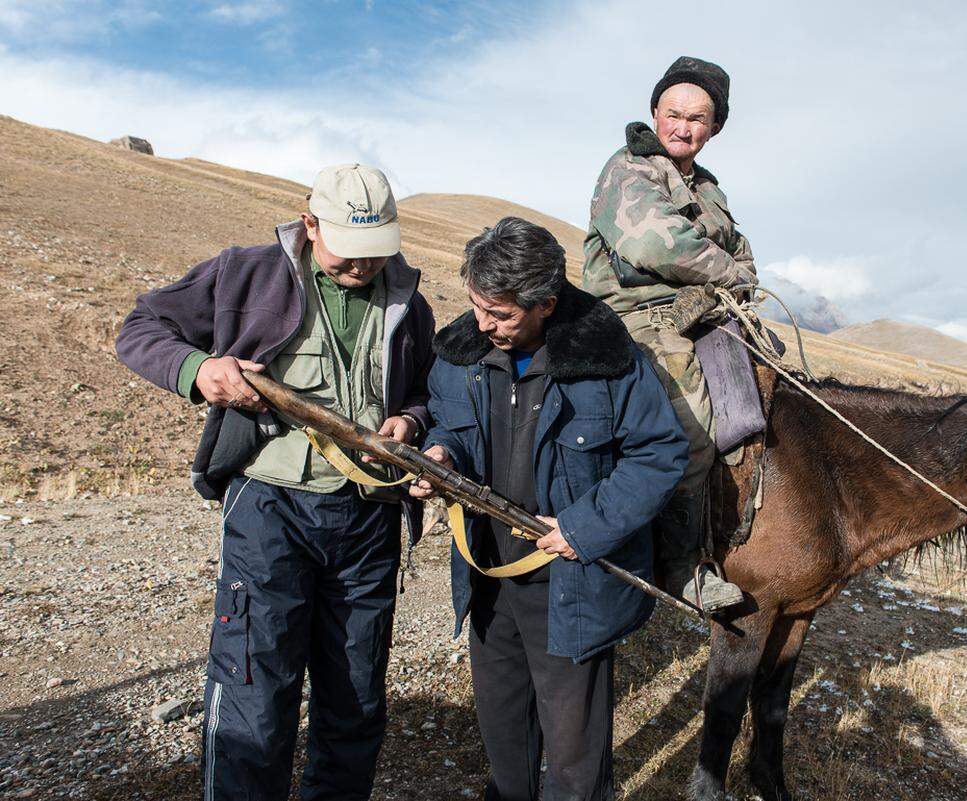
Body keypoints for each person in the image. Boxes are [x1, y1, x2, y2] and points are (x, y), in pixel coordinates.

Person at [115, 164, 435, 801]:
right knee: (254, 693)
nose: (365, 265)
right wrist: (201, 370)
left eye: (378, 251)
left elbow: (428, 392)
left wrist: (412, 419)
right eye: (351, 250)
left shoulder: (410, 301)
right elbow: (140, 329)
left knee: (356, 699)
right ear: (311, 224)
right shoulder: (246, 274)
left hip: (368, 519)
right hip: (271, 510)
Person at [409, 216, 687, 800]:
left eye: (502, 315)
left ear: (547, 305)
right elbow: (448, 423)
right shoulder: (461, 352)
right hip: (489, 572)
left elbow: (659, 453)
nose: (484, 326)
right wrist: (442, 455)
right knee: (504, 729)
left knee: (573, 752)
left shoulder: (611, 362)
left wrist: (583, 528)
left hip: (572, 581)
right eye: (478, 307)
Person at [581, 56, 756, 612]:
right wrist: (729, 272)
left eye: (698, 119)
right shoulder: (629, 169)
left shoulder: (707, 189)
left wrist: (735, 271)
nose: (683, 127)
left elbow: (743, 250)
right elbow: (655, 244)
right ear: (655, 113)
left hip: (703, 315)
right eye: (674, 113)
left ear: (715, 128)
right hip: (638, 320)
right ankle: (679, 567)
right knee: (693, 433)